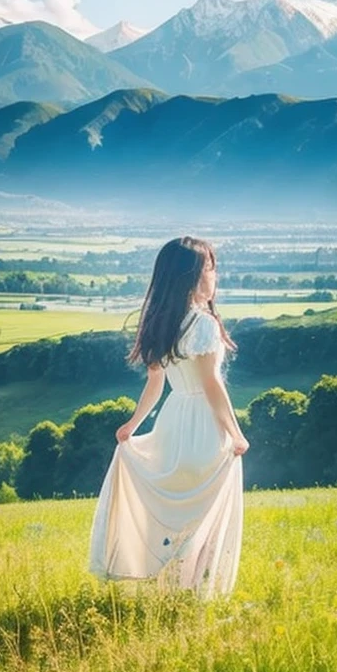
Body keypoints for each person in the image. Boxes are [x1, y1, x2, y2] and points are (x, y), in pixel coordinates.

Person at [88, 236, 249, 599]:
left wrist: (133, 426)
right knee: (203, 518)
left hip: (172, 423)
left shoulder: (163, 323)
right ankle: (191, 596)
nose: (215, 277)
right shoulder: (204, 324)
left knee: (181, 518)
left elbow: (155, 385)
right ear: (190, 277)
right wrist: (236, 434)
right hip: (204, 426)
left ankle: (173, 593)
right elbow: (211, 386)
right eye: (210, 268)